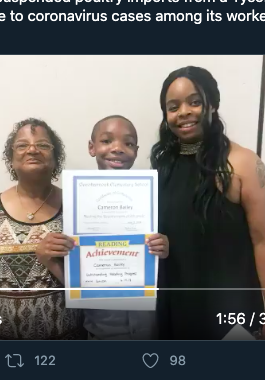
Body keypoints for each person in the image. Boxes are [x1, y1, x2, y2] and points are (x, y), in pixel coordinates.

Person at [151, 67, 265, 340]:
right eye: (173, 107)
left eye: (194, 102)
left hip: (231, 316)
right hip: (176, 307)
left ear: (212, 104)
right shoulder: (163, 166)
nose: (184, 112)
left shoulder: (243, 163)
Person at [37, 115, 169, 340]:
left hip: (153, 328)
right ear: (92, 147)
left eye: (128, 143)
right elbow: (78, 282)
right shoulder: (76, 205)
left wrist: (164, 248)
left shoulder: (154, 199)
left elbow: (166, 267)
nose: (117, 148)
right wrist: (48, 259)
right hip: (102, 330)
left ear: (136, 151)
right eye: (107, 141)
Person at [0, 118, 85, 340]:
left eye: (43, 145)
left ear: (55, 158)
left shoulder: (77, 207)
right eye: (22, 145)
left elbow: (93, 276)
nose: (32, 150)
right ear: (11, 159)